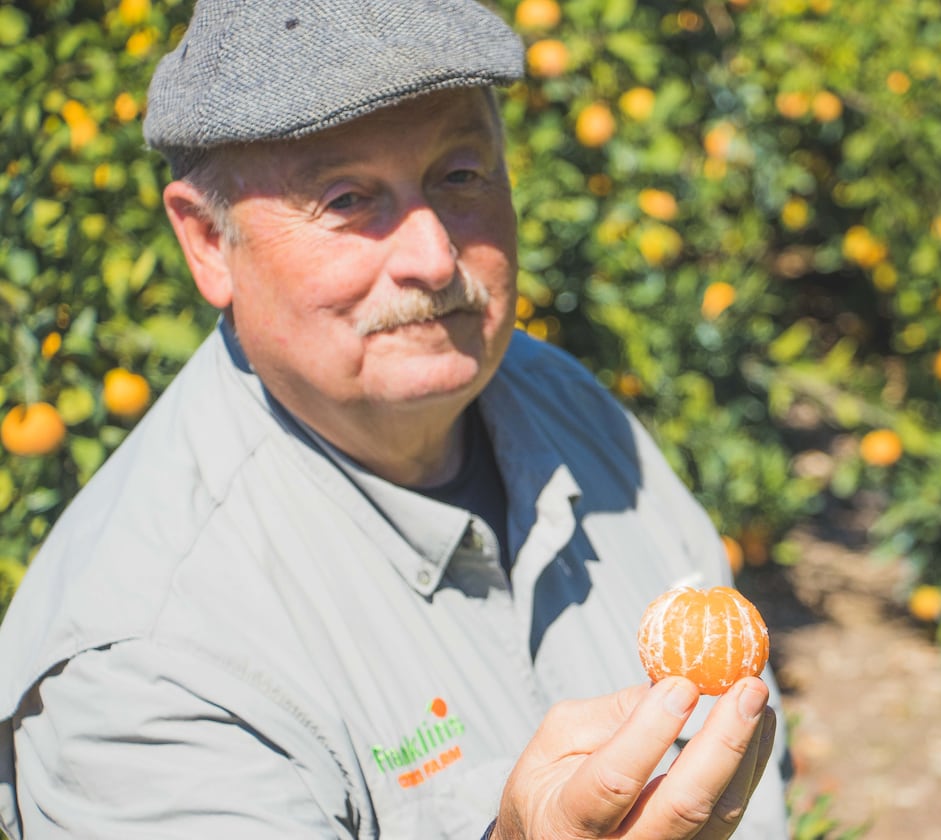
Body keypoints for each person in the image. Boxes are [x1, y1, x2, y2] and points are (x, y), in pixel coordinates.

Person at [0, 1, 791, 838]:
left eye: (460, 176)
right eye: (348, 198)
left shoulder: (571, 409)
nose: (434, 258)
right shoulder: (149, 674)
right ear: (206, 242)